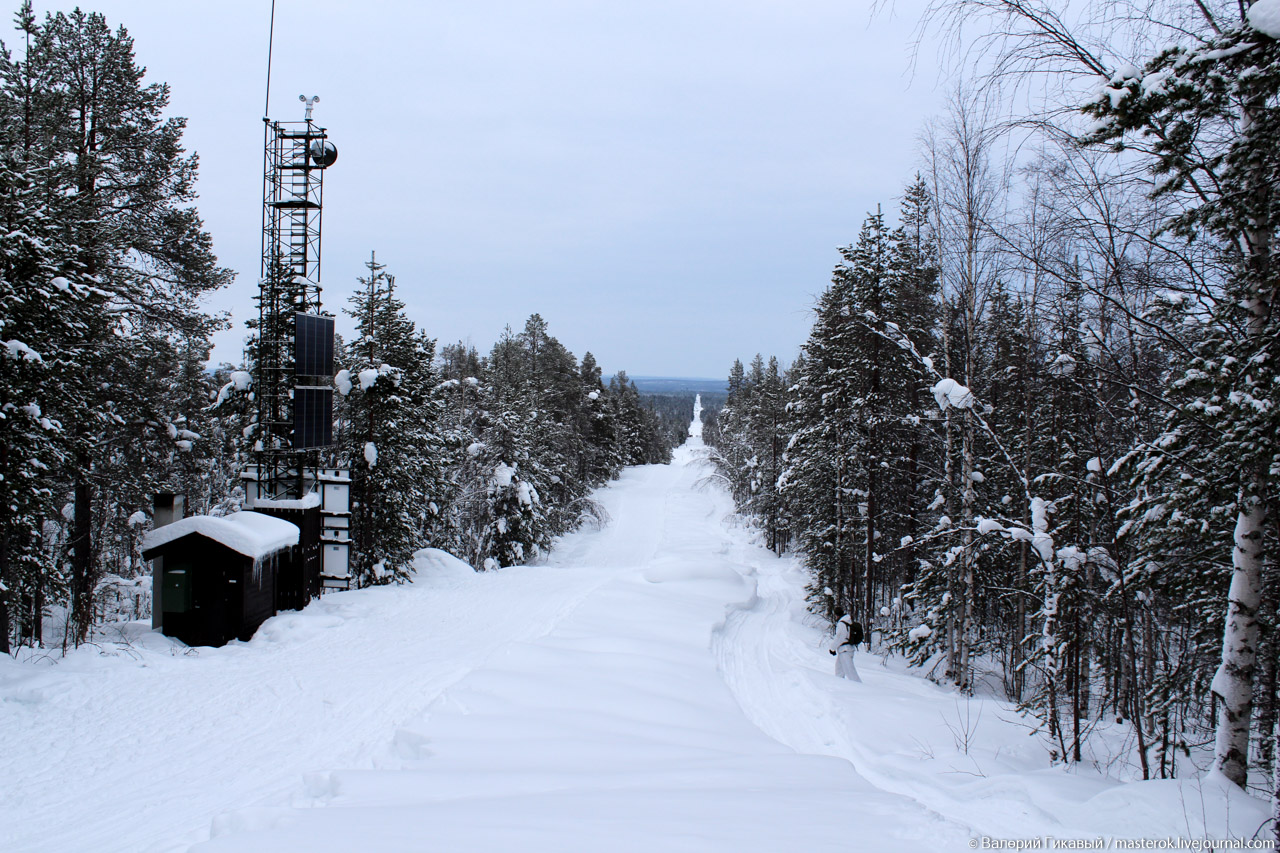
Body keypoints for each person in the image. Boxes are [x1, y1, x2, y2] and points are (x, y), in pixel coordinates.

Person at [828, 615, 863, 681]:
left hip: (845, 650)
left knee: (850, 672)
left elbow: (840, 637)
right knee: (839, 671)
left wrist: (832, 648)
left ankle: (859, 687)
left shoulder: (841, 624)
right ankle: (840, 686)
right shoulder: (848, 622)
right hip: (846, 649)